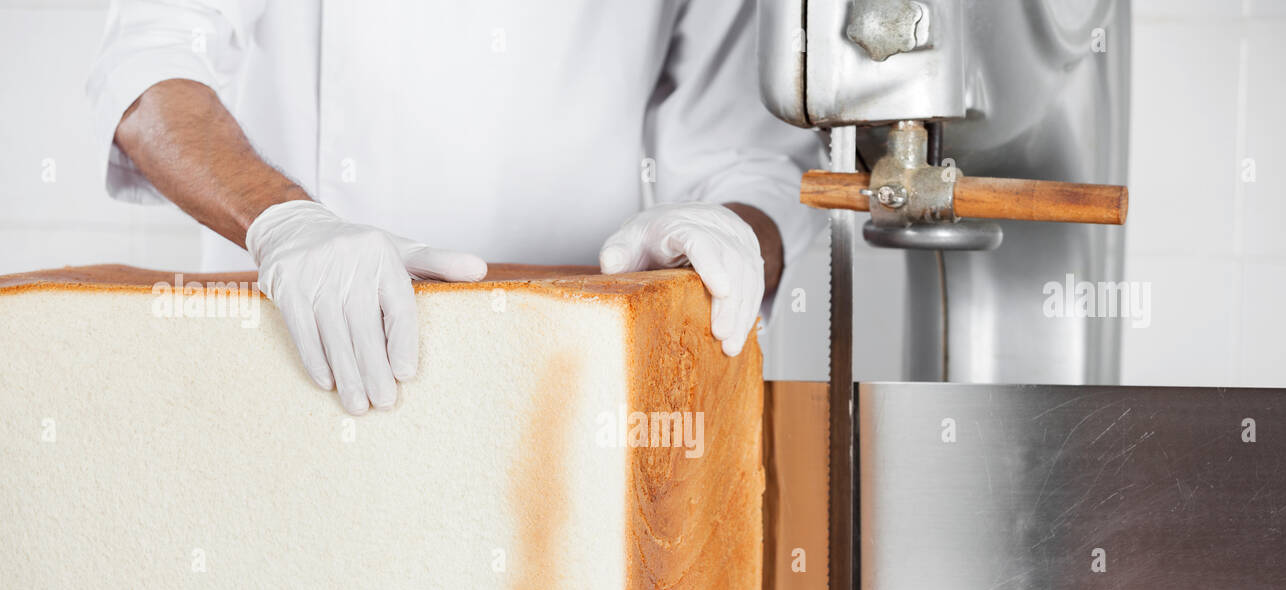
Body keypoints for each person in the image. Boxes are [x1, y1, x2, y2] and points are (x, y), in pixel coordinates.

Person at [89, 0, 822, 413]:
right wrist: (284, 222)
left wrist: (729, 232)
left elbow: (748, 155)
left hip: (564, 386)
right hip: (301, 359)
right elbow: (150, 67)